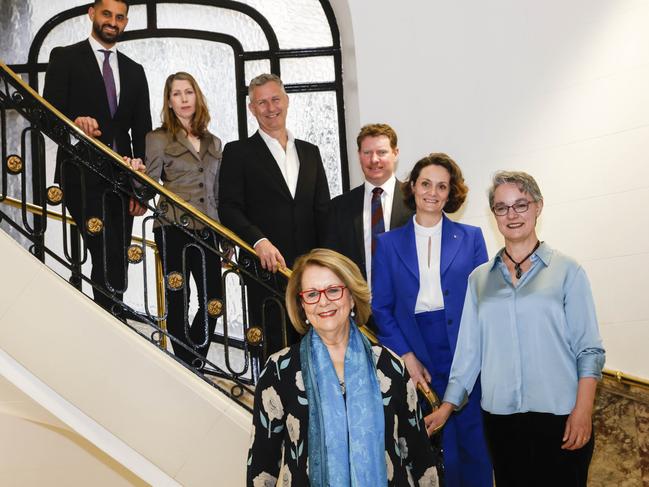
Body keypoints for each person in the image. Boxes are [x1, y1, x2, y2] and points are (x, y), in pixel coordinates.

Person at [429, 171, 605, 487]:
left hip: (561, 419)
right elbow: (469, 353)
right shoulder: (479, 280)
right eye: (502, 207)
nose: (512, 215)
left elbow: (589, 350)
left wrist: (583, 410)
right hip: (502, 424)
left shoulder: (568, 271)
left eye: (521, 205)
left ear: (538, 207)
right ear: (493, 214)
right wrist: (446, 407)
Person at [247, 248, 439, 486]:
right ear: (302, 304)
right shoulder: (279, 370)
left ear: (352, 297)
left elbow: (420, 458)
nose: (323, 301)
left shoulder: (390, 366)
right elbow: (262, 465)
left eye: (333, 290)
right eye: (312, 294)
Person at [372, 153, 493, 487]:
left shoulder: (471, 238)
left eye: (442, 186)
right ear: (413, 187)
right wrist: (406, 357)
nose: (433, 192)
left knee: (473, 445)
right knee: (428, 449)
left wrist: (471, 356)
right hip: (414, 348)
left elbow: (483, 303)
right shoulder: (387, 243)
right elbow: (381, 307)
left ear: (450, 192)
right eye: (426, 183)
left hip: (464, 349)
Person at [43, 0, 151, 314]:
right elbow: (47, 117)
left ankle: (110, 319)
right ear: (92, 14)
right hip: (81, 175)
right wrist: (74, 124)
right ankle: (115, 320)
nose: (112, 22)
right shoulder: (65, 58)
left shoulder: (134, 71)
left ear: (125, 22)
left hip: (122, 181)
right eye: (106, 14)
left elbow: (142, 133)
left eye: (119, 17)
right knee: (106, 252)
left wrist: (140, 187)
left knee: (117, 259)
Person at [219, 73, 330, 355]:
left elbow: (323, 211)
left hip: (310, 274)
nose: (271, 108)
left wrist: (327, 264)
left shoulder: (311, 152)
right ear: (251, 108)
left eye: (275, 99)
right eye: (262, 103)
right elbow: (228, 208)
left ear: (287, 101)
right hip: (265, 272)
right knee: (274, 352)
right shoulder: (238, 152)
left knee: (317, 350)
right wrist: (259, 242)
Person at [133, 72, 222, 367]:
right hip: (173, 228)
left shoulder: (214, 142)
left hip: (208, 230)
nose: (184, 99)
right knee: (178, 298)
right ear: (169, 102)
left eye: (188, 92)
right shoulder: (157, 139)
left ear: (197, 97)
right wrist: (136, 173)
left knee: (214, 303)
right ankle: (187, 366)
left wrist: (224, 234)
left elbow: (217, 192)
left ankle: (192, 362)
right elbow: (148, 188)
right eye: (176, 94)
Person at [326, 123, 412, 286]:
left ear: (395, 153)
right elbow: (332, 262)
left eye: (382, 152)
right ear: (359, 155)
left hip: (406, 305)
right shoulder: (339, 207)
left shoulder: (415, 202)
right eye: (367, 153)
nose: (374, 159)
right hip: (359, 304)